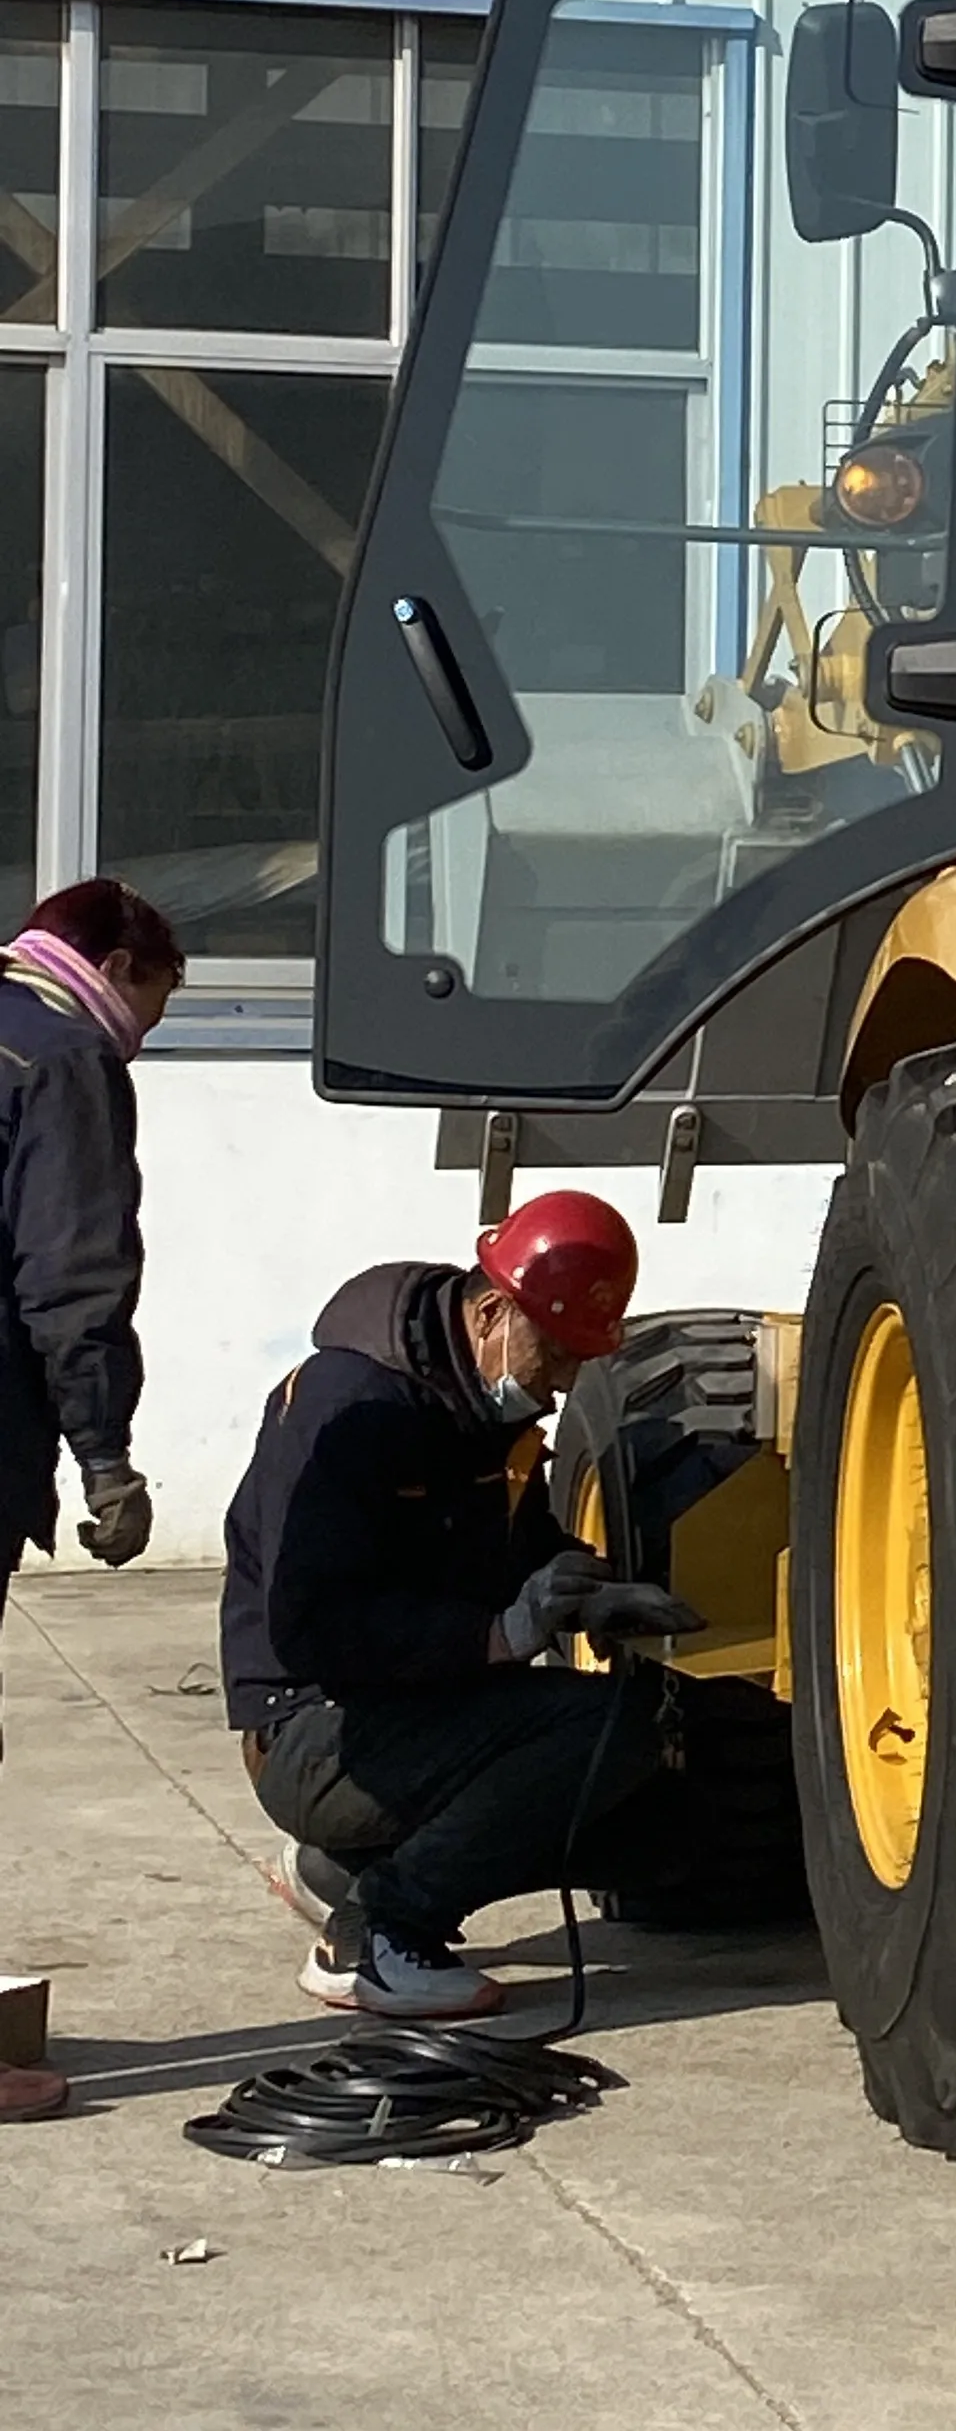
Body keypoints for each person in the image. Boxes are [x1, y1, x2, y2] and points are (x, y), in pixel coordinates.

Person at [218, 1191, 699, 2020]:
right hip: (314, 1728)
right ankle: (382, 1934)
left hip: (410, 1711)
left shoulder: (483, 1409)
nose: (563, 1382)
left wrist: (590, 1590)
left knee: (660, 1819)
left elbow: (525, 1544)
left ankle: (341, 1869)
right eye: (555, 1353)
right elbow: (314, 1628)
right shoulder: (349, 1408)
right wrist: (496, 1635)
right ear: (490, 1314)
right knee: (603, 1734)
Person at [0, 877, 182, 2124]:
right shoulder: (63, 1060)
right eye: (153, 1010)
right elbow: (71, 1275)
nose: (143, 1041)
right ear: (115, 965)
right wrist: (104, 1456)